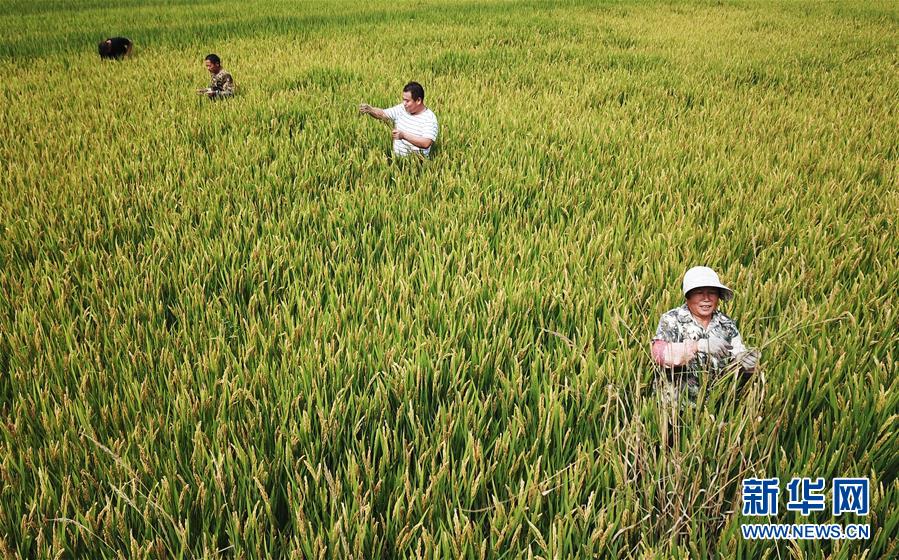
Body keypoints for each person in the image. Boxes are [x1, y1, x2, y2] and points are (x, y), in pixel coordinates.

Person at [651, 266, 760, 401]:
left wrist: (746, 363)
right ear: (688, 296)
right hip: (675, 405)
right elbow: (659, 353)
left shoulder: (726, 324)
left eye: (712, 293)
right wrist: (698, 346)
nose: (706, 298)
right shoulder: (672, 319)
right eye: (699, 292)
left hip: (714, 406)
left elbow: (737, 355)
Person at [359, 82, 438, 158]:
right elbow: (383, 114)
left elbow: (426, 143)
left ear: (418, 100)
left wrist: (403, 135)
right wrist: (371, 110)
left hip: (417, 165)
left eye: (407, 101)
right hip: (397, 162)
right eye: (403, 99)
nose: (404, 103)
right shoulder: (401, 109)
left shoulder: (429, 118)